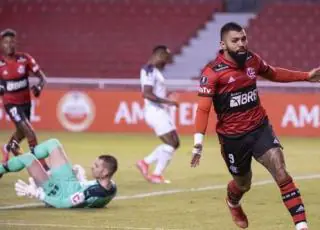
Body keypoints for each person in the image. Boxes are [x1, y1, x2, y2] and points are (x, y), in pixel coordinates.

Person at [190, 22, 320, 230]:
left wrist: (305, 76)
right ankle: (233, 202)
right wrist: (198, 144)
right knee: (243, 183)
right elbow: (203, 109)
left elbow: (274, 73)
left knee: (281, 171)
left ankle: (301, 225)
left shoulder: (252, 60)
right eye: (236, 40)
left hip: (259, 128)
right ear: (223, 44)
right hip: (233, 138)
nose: (241, 44)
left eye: (244, 39)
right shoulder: (213, 72)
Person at [0, 138, 118, 208]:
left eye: (96, 166)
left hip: (58, 193)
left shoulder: (92, 192)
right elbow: (95, 199)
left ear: (105, 172)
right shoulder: (112, 186)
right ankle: (27, 159)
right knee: (53, 143)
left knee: (27, 158)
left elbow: (63, 204)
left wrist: (39, 194)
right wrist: (82, 180)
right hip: (71, 183)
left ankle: (11, 164)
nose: (92, 167)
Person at [0, 28, 49, 170]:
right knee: (29, 132)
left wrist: (39, 87)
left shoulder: (25, 59)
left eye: (11, 42)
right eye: (6, 42)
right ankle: (43, 167)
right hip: (11, 104)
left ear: (15, 44)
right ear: (2, 45)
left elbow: (42, 78)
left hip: (26, 103)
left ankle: (8, 148)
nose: (9, 45)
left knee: (21, 132)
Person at [136, 45, 180, 184]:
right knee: (172, 143)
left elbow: (156, 91)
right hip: (154, 111)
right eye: (166, 58)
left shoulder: (155, 71)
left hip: (159, 110)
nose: (167, 61)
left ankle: (147, 164)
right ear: (159, 55)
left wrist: (167, 98)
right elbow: (147, 93)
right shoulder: (148, 70)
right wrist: (168, 101)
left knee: (174, 143)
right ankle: (152, 169)